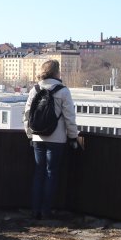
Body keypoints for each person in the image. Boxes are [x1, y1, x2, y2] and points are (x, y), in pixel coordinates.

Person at [23, 60, 78, 219]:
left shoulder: (35, 89)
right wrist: (73, 137)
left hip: (37, 137)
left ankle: (35, 211)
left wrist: (29, 134)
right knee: (50, 173)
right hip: (57, 139)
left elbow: (27, 114)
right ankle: (46, 211)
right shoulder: (63, 91)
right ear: (57, 72)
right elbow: (69, 117)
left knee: (38, 173)